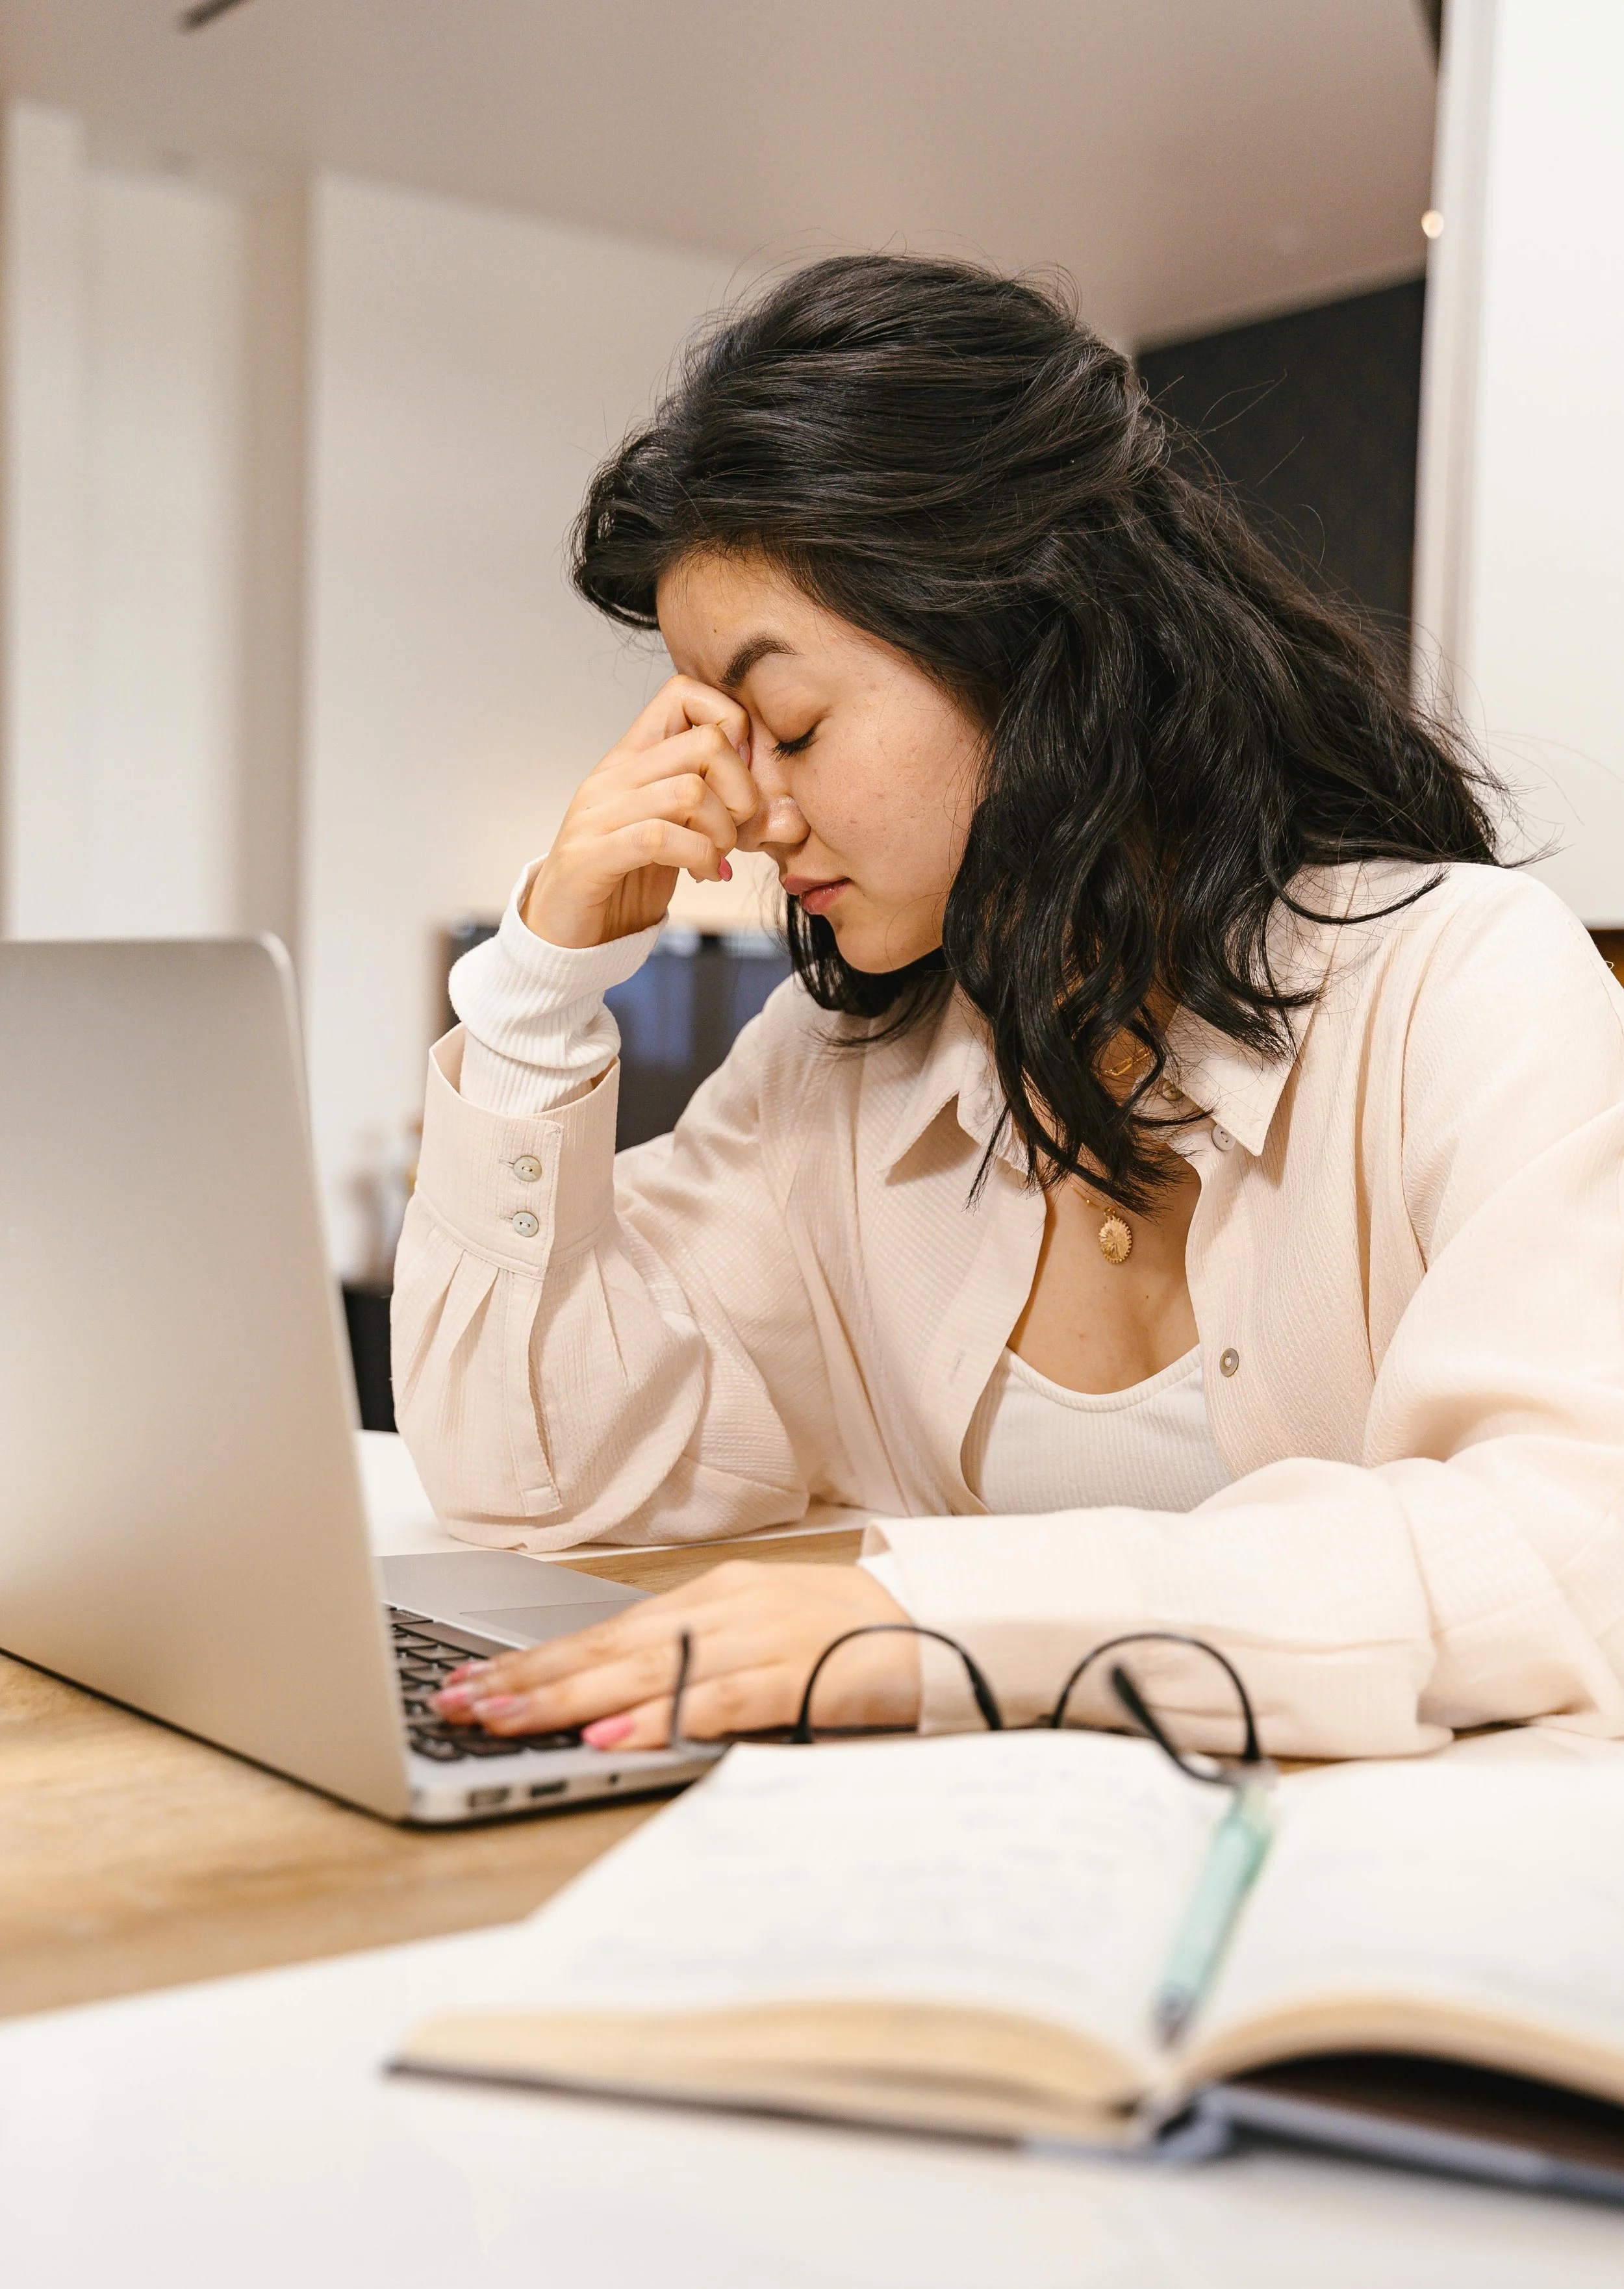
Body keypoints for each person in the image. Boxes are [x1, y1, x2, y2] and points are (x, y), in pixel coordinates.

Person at [393, 255, 1624, 1762]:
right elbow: (538, 1484)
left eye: (786, 726)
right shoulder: (825, 1076)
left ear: (1033, 641)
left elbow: (1574, 1553)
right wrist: (535, 989)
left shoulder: (1462, 983)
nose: (744, 817)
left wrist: (930, 1623)